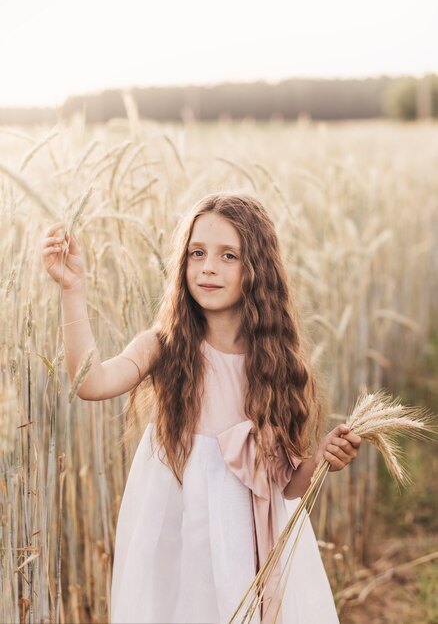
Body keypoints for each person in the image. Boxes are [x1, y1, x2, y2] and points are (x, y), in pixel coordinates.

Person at [41, 190, 361, 624]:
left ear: (257, 269)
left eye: (228, 255)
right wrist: (73, 291)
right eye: (197, 252)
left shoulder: (275, 365)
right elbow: (92, 382)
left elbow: (284, 485)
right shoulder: (163, 347)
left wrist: (322, 458)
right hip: (176, 531)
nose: (208, 266)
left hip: (248, 543)